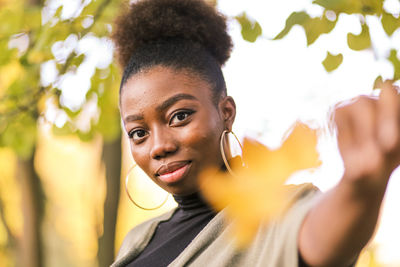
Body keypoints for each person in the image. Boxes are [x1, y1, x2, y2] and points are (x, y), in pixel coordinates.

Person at [110, 0, 400, 266]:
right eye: (138, 133)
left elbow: (319, 238)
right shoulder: (138, 238)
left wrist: (360, 186)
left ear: (226, 113)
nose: (158, 146)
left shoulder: (274, 211)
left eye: (179, 117)